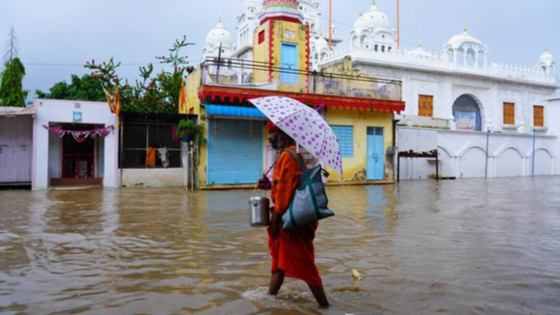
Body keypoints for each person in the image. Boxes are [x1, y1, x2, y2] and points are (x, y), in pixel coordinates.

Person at [258, 121, 329, 308]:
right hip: (290, 218)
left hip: (292, 223)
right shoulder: (287, 156)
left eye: (273, 134)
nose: (270, 138)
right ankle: (270, 301)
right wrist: (268, 184)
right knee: (279, 264)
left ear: (285, 136)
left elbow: (284, 193)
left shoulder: (288, 157)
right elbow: (288, 185)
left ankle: (325, 307)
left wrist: (274, 219)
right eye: (270, 134)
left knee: (306, 266)